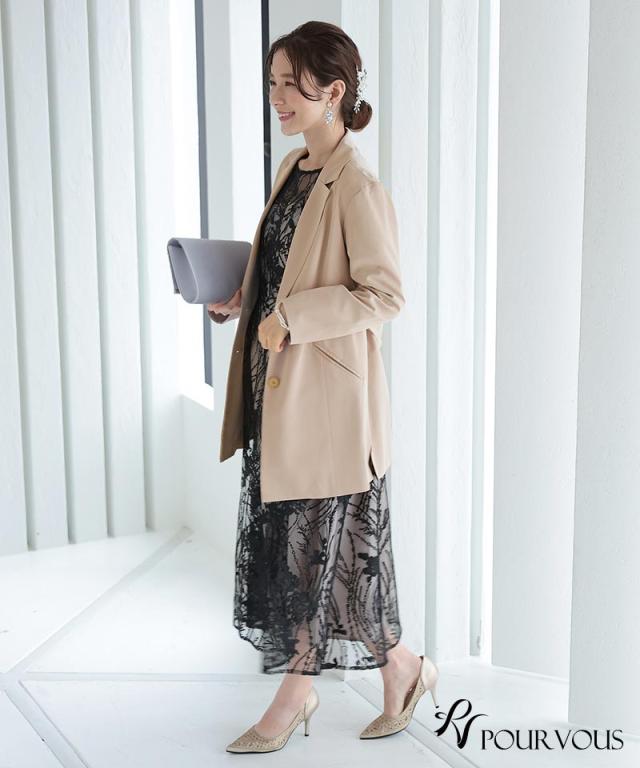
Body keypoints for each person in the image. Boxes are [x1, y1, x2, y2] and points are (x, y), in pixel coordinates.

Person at [208, 21, 439, 754]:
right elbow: (288, 264)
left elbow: (384, 294)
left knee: (314, 553)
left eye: (292, 85)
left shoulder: (358, 186)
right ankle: (404, 670)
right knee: (328, 555)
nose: (277, 97)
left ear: (333, 91)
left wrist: (293, 319)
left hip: (328, 405)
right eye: (273, 82)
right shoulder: (295, 167)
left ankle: (295, 694)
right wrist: (243, 296)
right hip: (281, 393)